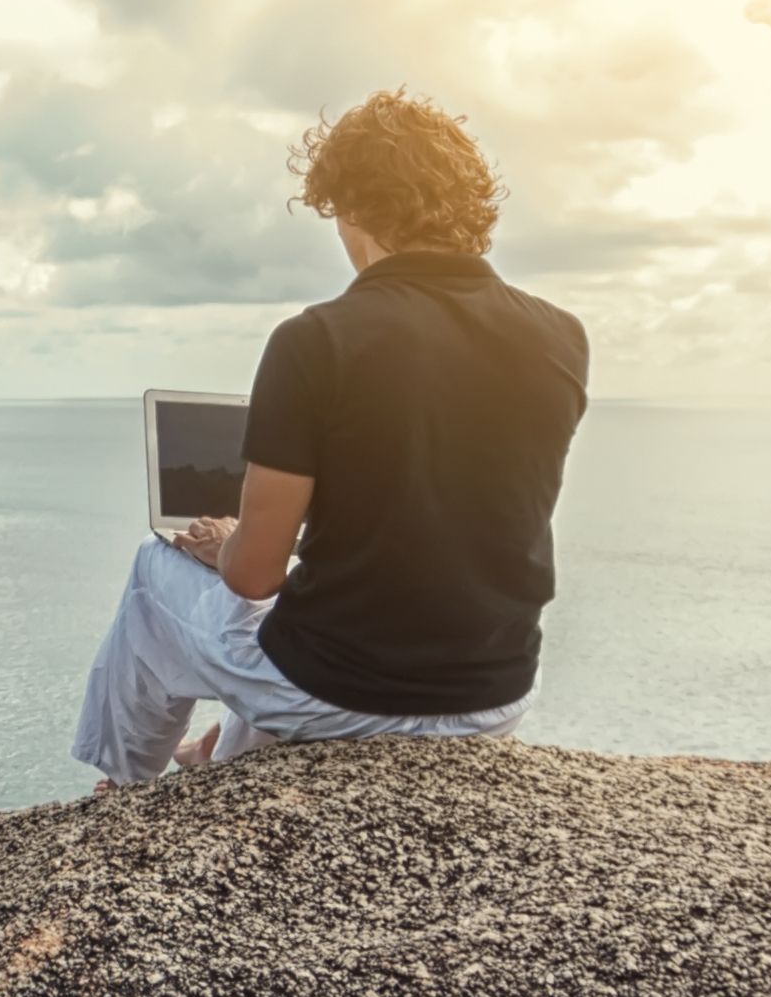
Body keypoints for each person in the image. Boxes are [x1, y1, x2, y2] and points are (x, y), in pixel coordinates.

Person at [70, 88, 589, 787]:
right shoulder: (560, 334)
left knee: (157, 571)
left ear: (350, 208)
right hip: (492, 696)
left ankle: (122, 785)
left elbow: (254, 574)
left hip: (342, 699)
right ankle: (226, 752)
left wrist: (219, 540)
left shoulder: (314, 341)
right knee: (312, 613)